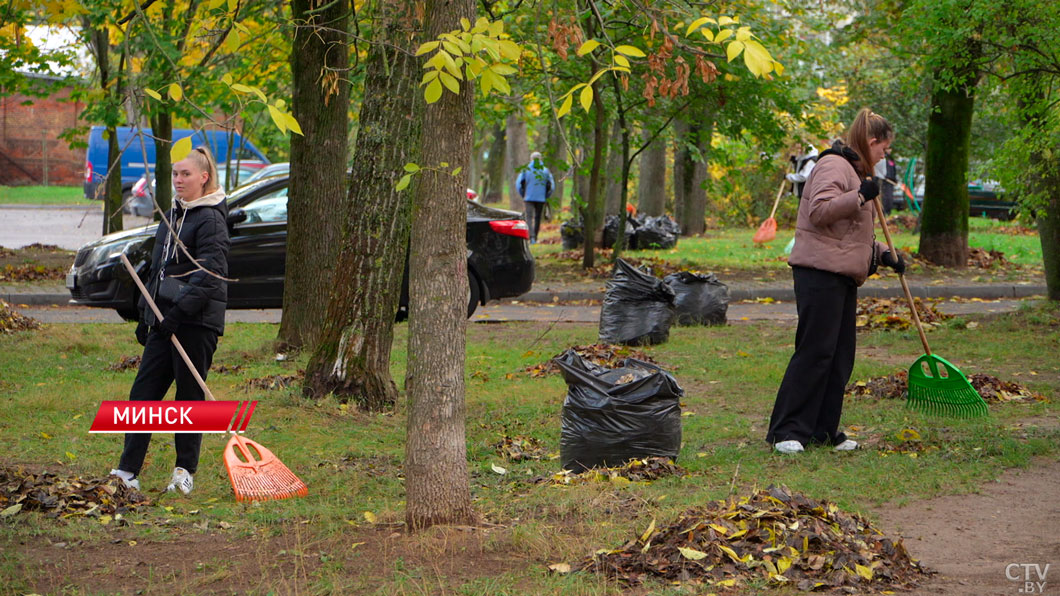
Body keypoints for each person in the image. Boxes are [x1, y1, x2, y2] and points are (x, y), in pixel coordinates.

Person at [766, 108, 905, 454]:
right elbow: (820, 211)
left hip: (841, 275)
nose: (884, 158)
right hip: (818, 273)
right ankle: (787, 430)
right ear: (872, 142)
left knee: (840, 357)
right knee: (815, 352)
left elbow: (851, 235)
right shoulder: (833, 165)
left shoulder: (857, 172)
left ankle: (823, 431)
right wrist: (860, 195)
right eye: (884, 150)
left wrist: (884, 254)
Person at [109, 146, 230, 494]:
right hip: (165, 322)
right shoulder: (173, 214)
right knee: (143, 394)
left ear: (204, 177)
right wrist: (148, 318)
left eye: (186, 174)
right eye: (175, 174)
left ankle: (184, 472)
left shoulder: (209, 219)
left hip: (196, 322)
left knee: (189, 400)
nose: (178, 180)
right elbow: (160, 271)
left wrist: (178, 314)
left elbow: (211, 275)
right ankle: (127, 471)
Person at [515, 151, 554, 244]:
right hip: (541, 198)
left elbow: (519, 184)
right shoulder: (545, 170)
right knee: (538, 217)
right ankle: (535, 237)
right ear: (540, 159)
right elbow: (552, 186)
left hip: (528, 197)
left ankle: (531, 236)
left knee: (529, 217)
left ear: (531, 159)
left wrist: (523, 194)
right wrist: (546, 196)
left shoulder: (525, 170)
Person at [874, 147, 898, 214]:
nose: (889, 150)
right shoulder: (881, 158)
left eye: (890, 148)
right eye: (888, 148)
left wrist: (894, 179)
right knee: (884, 197)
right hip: (883, 180)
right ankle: (882, 212)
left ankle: (888, 212)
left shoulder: (890, 158)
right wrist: (883, 177)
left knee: (889, 197)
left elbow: (893, 169)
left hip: (890, 181)